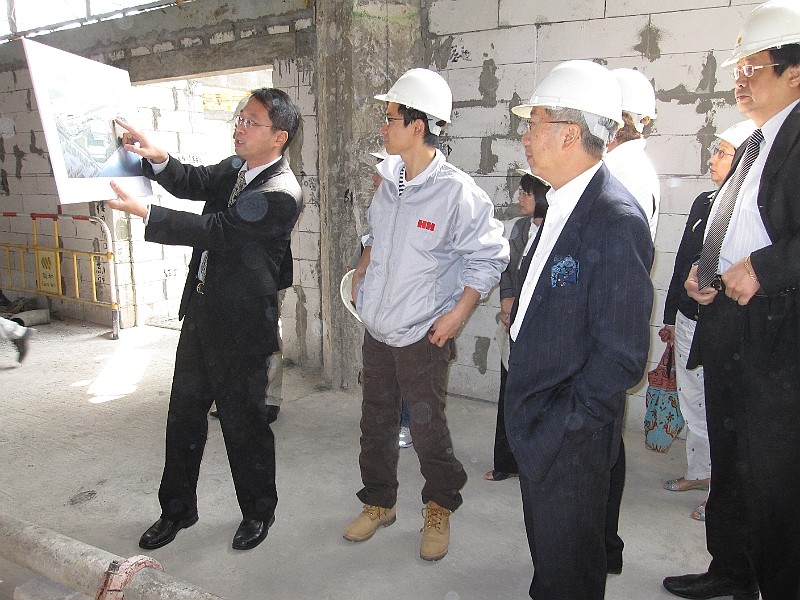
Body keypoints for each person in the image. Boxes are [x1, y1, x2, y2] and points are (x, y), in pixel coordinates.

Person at [105, 87, 302, 552]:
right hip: (202, 312)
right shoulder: (237, 167)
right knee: (183, 416)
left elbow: (218, 231)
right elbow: (194, 181)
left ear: (278, 137)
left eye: (250, 121)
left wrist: (148, 212)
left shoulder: (280, 193)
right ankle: (177, 510)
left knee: (243, 424)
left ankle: (258, 512)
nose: (239, 126)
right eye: (240, 117)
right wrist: (157, 158)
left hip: (242, 326)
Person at [664, 2, 800, 599]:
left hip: (778, 336)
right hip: (731, 326)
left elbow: (771, 248)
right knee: (732, 461)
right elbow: (732, 221)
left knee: (774, 474)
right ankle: (731, 571)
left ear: (795, 72)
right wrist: (707, 273)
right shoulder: (754, 141)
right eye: (738, 67)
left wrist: (763, 270)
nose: (740, 78)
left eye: (755, 67)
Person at [345, 68, 509, 561]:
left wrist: (458, 315)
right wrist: (362, 269)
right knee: (374, 423)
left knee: (426, 426)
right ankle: (379, 502)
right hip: (378, 328)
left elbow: (489, 257)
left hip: (423, 334)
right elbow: (376, 235)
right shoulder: (389, 182)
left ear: (418, 126)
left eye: (390, 118)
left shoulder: (458, 193)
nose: (383, 127)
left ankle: (440, 503)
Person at [505, 60, 654, 599]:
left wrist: (561, 429)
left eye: (534, 122)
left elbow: (621, 357)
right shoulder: (563, 201)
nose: (524, 135)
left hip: (568, 433)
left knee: (570, 567)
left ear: (569, 134)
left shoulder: (616, 220)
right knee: (552, 553)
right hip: (540, 415)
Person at [658, 120, 757, 522]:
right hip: (688, 316)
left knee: (722, 407)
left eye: (722, 153)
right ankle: (700, 473)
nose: (712, 159)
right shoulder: (703, 202)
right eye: (714, 150)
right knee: (691, 398)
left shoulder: (749, 208)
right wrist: (668, 315)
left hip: (724, 323)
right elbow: (684, 258)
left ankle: (721, 491)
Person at [602, 66, 661, 575]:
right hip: (613, 320)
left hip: (607, 327)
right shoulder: (635, 167)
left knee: (602, 447)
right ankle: (606, 544)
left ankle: (603, 546)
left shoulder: (622, 174)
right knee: (607, 442)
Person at [485, 172, 548, 482]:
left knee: (535, 396)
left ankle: (534, 465)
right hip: (512, 322)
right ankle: (505, 462)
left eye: (528, 192)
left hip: (538, 327)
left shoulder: (555, 231)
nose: (521, 197)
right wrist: (506, 300)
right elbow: (507, 269)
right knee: (509, 391)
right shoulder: (521, 228)